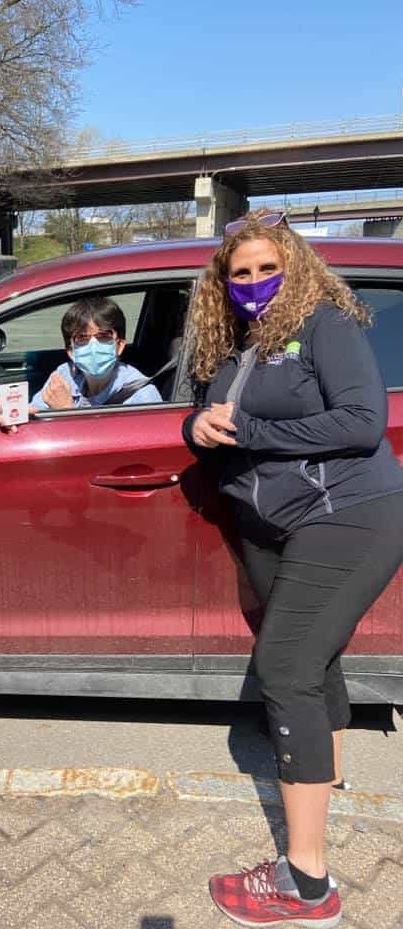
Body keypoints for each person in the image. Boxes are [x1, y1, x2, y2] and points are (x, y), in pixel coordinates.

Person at [182, 208, 403, 927]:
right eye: (239, 273)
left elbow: (361, 422)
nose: (252, 283)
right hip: (272, 524)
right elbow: (206, 413)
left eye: (265, 270)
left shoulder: (326, 326)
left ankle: (306, 882)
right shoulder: (232, 344)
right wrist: (196, 425)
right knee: (315, 662)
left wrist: (246, 428)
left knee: (285, 671)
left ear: (293, 268)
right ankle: (322, 785)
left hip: (347, 514)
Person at [0, 296, 162, 428]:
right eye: (82, 338)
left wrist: (68, 412)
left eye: (104, 336)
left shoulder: (142, 397)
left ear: (119, 346)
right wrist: (13, 413)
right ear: (71, 351)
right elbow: (35, 411)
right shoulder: (64, 376)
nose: (93, 345)